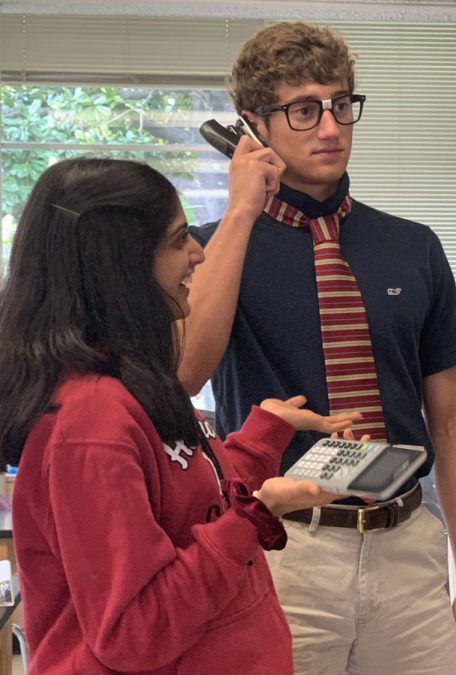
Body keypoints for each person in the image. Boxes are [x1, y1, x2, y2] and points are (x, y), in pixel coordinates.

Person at [178, 21, 456, 674]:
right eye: (303, 109)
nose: (330, 127)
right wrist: (241, 210)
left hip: (407, 542)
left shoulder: (412, 245)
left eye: (341, 104)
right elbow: (185, 370)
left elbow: (454, 419)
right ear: (253, 125)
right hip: (283, 547)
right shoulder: (212, 247)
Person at [0, 158, 363, 673]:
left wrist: (262, 439)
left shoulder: (130, 383)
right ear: (119, 266)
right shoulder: (90, 427)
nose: (198, 253)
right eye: (177, 241)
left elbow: (191, 500)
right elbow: (136, 629)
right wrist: (255, 519)